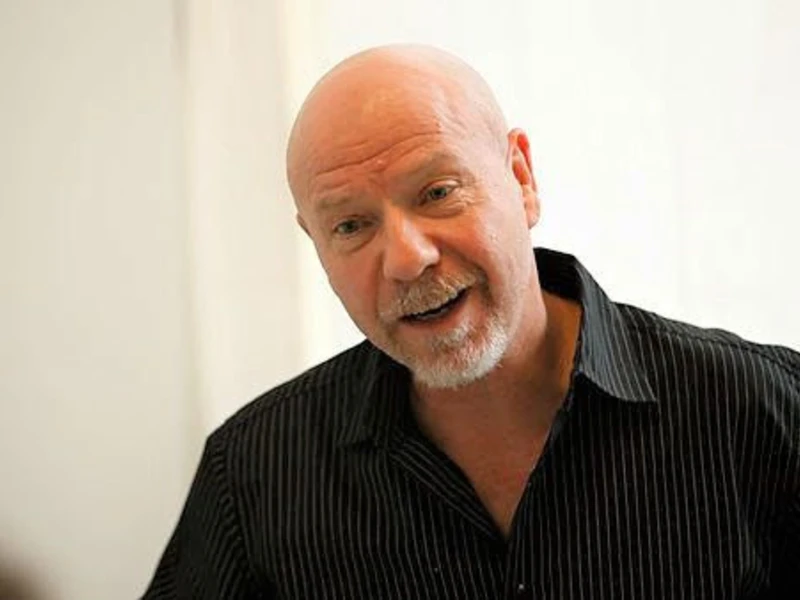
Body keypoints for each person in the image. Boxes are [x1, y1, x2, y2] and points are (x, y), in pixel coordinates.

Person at [142, 45, 800, 599]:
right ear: (315, 242)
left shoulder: (762, 411)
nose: (405, 259)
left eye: (437, 192)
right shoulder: (255, 473)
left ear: (521, 178)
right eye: (350, 224)